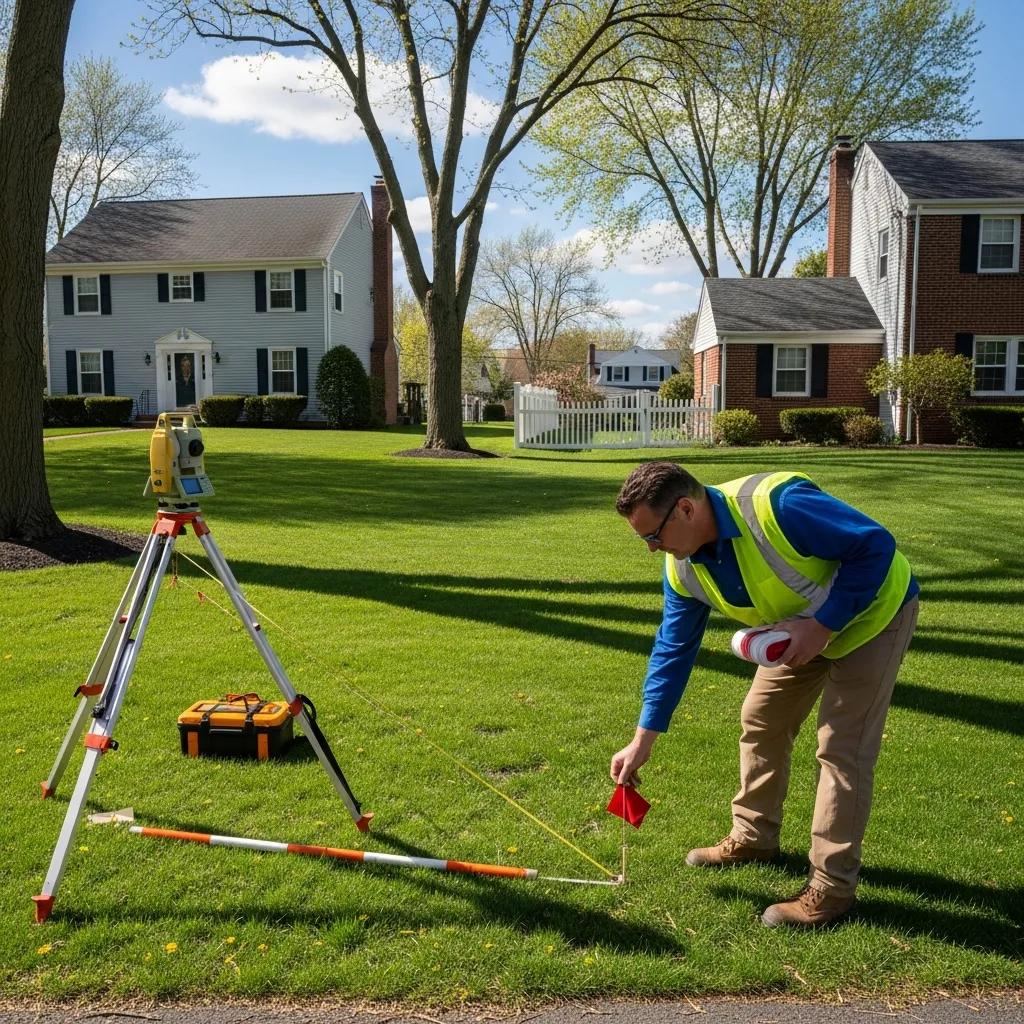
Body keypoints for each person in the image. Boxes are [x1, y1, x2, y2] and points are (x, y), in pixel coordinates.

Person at [611, 461, 918, 928]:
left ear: (686, 509)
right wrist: (642, 740)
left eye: (652, 535)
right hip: (797, 633)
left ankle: (831, 888)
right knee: (761, 719)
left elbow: (875, 545)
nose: (653, 548)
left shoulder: (778, 506)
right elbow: (672, 650)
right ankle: (755, 836)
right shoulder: (683, 567)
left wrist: (822, 626)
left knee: (842, 747)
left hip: (873, 619)